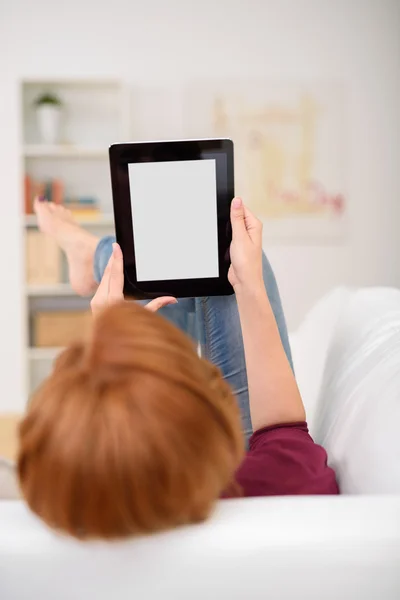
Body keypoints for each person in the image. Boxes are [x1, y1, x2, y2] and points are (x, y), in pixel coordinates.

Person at [17, 197, 338, 540]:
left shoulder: (65, 497)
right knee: (226, 257)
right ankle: (92, 253)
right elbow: (281, 427)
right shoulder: (282, 480)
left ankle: (89, 253)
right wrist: (114, 328)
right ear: (210, 424)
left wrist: (113, 331)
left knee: (153, 269)